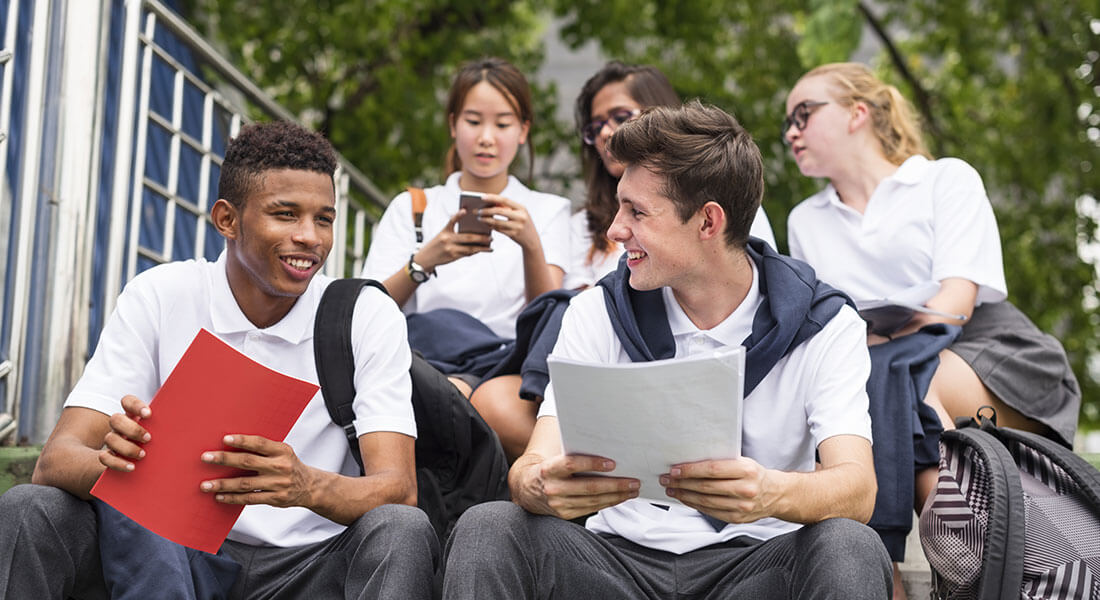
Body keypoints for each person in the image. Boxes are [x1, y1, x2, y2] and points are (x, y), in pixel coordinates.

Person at [442, 101, 891, 600]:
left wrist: (770, 493)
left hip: (756, 565)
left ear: (707, 222)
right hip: (613, 565)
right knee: (489, 526)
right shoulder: (598, 312)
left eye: (637, 212)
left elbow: (857, 488)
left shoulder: (825, 325)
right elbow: (531, 466)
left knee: (850, 544)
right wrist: (541, 487)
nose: (614, 229)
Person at [0, 121, 439, 599]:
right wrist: (123, 465)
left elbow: (398, 488)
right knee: (31, 506)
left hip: (313, 562)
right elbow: (56, 462)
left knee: (402, 529)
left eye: (324, 219)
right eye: (286, 214)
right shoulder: (163, 294)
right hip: (176, 550)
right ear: (227, 219)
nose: (310, 237)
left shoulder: (364, 313)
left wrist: (304, 485)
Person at [783, 61, 1081, 597]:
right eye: (787, 123)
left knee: (900, 381)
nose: (791, 133)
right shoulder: (805, 219)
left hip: (991, 352)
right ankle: (981, 575)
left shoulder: (945, 177)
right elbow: (823, 329)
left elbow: (954, 304)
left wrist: (878, 341)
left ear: (857, 113)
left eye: (804, 113)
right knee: (883, 394)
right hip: (886, 372)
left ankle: (902, 577)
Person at [361, 57, 570, 461]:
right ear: (453, 124)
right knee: (442, 395)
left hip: (508, 366)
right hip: (428, 359)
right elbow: (369, 306)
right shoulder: (413, 206)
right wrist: (425, 261)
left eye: (503, 124)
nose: (487, 138)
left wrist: (531, 244)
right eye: (474, 121)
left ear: (524, 131)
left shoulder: (547, 210)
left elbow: (549, 312)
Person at [566, 60, 777, 289]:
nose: (605, 132)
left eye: (619, 116)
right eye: (595, 127)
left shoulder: (730, 199)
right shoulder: (583, 226)